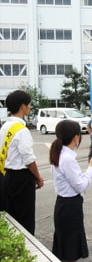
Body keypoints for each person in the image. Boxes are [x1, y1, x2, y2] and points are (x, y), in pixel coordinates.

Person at [49, 120, 92, 262]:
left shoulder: (60, 154)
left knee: (66, 250)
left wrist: (91, 169)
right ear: (76, 138)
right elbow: (80, 186)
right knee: (70, 252)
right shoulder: (67, 158)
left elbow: (75, 180)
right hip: (70, 208)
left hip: (63, 205)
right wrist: (91, 167)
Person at [0, 90, 44, 235]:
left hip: (6, 176)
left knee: (11, 217)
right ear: (22, 106)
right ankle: (27, 251)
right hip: (22, 179)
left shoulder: (5, 127)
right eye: (29, 104)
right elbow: (29, 159)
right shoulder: (21, 130)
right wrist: (38, 177)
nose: (30, 107)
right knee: (25, 220)